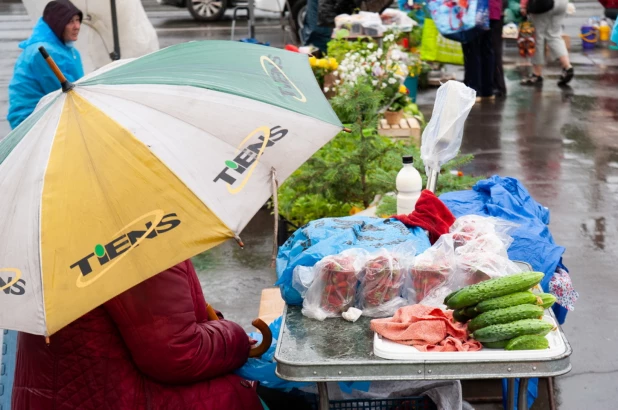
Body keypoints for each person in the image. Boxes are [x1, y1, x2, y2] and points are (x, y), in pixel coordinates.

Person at [11, 260, 264, 410]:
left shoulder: (57, 222)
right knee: (236, 392)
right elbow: (180, 353)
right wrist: (236, 337)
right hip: (110, 397)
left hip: (48, 397)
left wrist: (211, 323)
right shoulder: (135, 228)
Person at [7, 0, 84, 129]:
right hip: (31, 120)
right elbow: (62, 93)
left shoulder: (68, 49)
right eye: (70, 21)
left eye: (77, 20)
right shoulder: (44, 52)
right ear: (58, 23)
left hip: (52, 112)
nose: (77, 26)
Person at [519, 0, 574, 86]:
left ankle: (537, 74)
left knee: (538, 37)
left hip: (543, 4)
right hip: (562, 3)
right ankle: (567, 67)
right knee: (554, 34)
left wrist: (523, 5)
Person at [491, 0, 507, 97]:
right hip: (495, 11)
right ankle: (497, 84)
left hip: (492, 12)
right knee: (494, 49)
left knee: (494, 50)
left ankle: (498, 85)